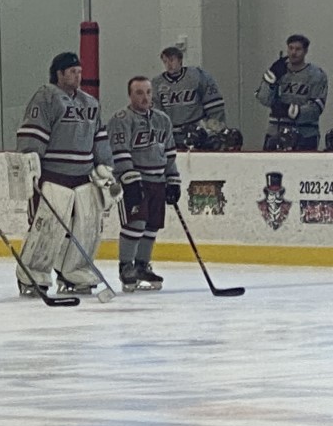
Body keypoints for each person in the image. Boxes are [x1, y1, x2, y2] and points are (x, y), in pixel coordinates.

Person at [15, 51, 113, 297]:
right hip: (54, 174)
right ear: (59, 74)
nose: (78, 76)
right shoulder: (46, 97)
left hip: (83, 177)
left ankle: (75, 271)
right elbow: (33, 132)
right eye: (72, 72)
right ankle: (33, 273)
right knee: (47, 227)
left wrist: (104, 166)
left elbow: (99, 138)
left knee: (87, 228)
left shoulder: (90, 103)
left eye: (79, 72)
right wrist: (30, 162)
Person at [107, 76, 180, 292]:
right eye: (139, 93)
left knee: (151, 225)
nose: (145, 97)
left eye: (148, 92)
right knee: (135, 223)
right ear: (130, 95)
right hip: (135, 180)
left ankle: (141, 265)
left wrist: (173, 179)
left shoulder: (162, 119)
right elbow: (118, 151)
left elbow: (169, 153)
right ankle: (126, 266)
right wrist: (129, 179)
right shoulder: (121, 119)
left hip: (157, 180)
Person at [253, 34, 328, 151]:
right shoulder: (279, 71)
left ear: (305, 51)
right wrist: (271, 77)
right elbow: (263, 98)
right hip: (275, 132)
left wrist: (289, 111)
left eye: (298, 49)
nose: (293, 52)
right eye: (291, 48)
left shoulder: (316, 75)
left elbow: (316, 108)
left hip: (305, 134)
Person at [151, 46, 227, 149]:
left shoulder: (198, 76)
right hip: (172, 136)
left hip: (199, 134)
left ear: (180, 60)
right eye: (165, 62)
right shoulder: (156, 83)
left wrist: (214, 129)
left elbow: (214, 105)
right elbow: (156, 114)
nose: (168, 65)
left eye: (172, 60)